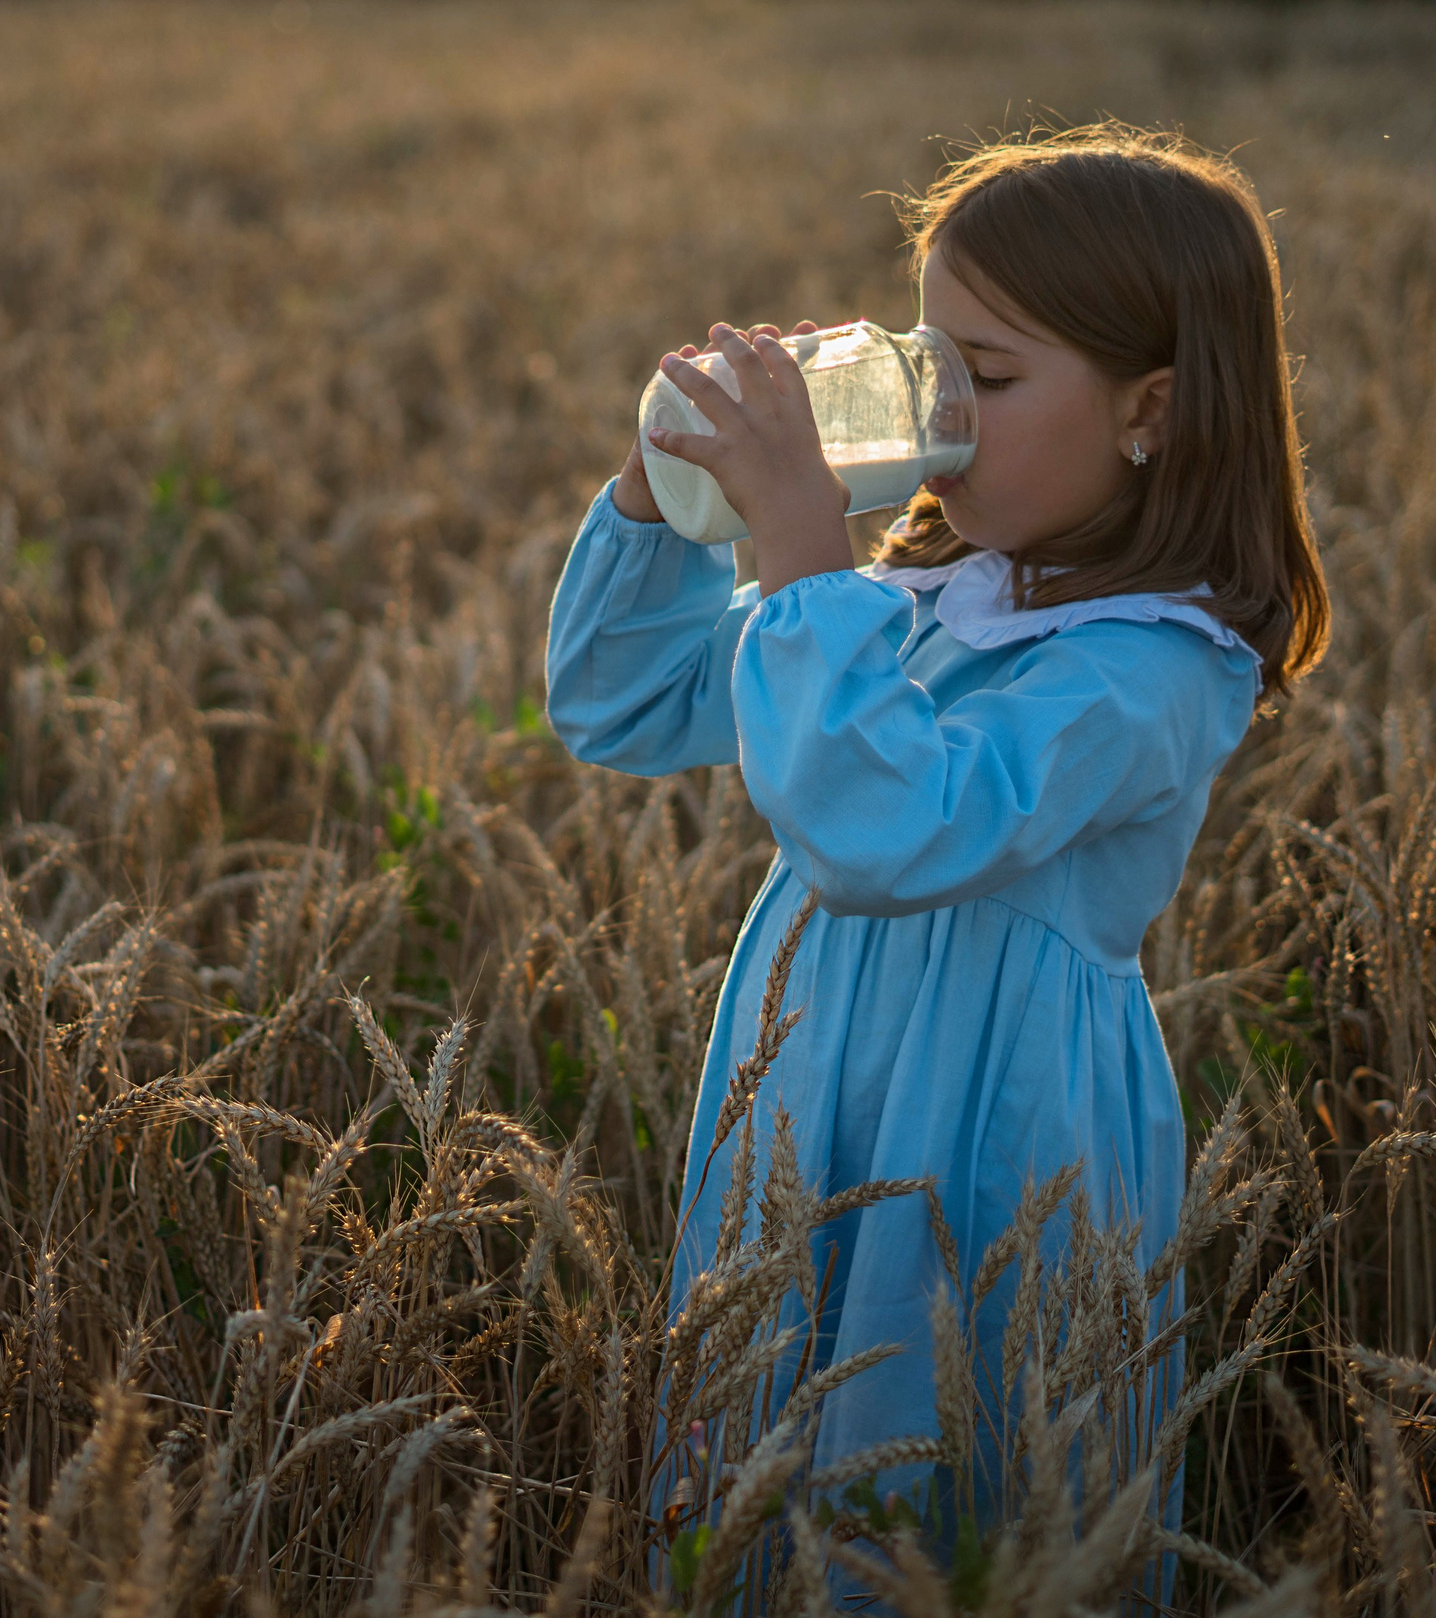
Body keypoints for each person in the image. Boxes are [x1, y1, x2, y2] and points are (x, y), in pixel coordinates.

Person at [544, 125, 1329, 1585]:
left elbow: (887, 826)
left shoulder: (1154, 672)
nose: (940, 409)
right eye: (929, 358)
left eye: (996, 375)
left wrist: (800, 560)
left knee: (942, 1496)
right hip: (812, 1096)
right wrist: (667, 488)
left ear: (1151, 410)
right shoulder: (924, 591)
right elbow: (618, 701)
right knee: (763, 1468)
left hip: (989, 1126)